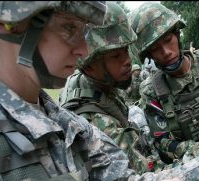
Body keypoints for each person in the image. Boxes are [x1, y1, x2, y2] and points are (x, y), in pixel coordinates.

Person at [0, 1, 199, 180]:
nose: (82, 52)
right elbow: (154, 155)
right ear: (12, 24)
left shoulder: (70, 125)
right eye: (69, 29)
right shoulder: (96, 115)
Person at [130, 2, 199, 177]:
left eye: (168, 41)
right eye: (155, 49)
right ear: (149, 55)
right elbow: (166, 146)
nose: (166, 52)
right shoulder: (152, 93)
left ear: (177, 34)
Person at [58, 2, 160, 174]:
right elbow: (150, 174)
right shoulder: (97, 124)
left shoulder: (91, 83)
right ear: (89, 66)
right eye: (115, 56)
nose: (127, 60)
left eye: (126, 50)